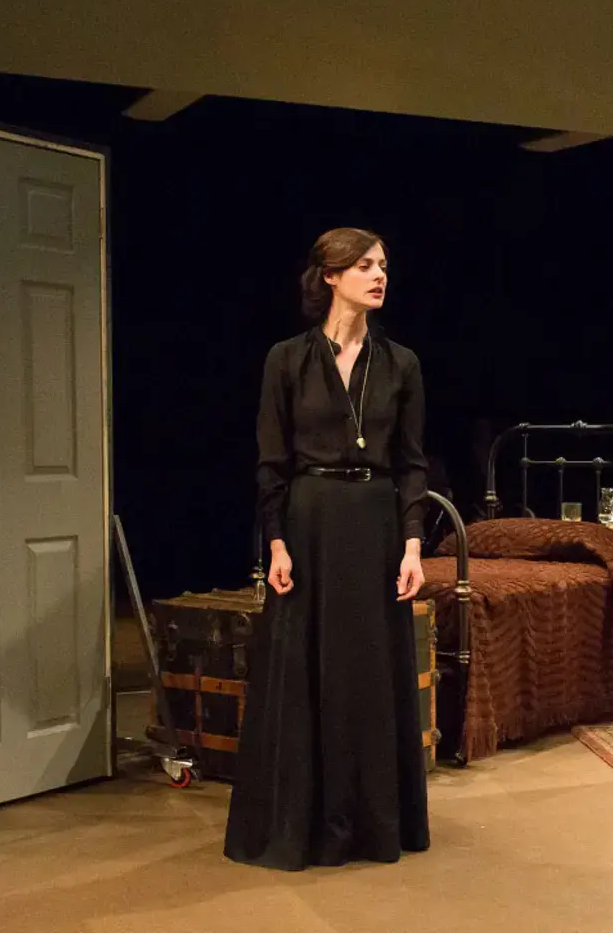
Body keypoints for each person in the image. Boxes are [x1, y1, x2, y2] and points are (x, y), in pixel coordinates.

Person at [223, 227, 432, 870]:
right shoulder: (286, 360)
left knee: (368, 674)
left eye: (384, 266)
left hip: (374, 528)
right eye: (364, 265)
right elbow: (271, 462)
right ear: (330, 276)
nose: (379, 276)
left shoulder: (402, 364)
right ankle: (303, 824)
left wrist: (413, 545)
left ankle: (372, 825)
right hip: (309, 527)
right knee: (306, 672)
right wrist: (277, 542)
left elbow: (412, 464)